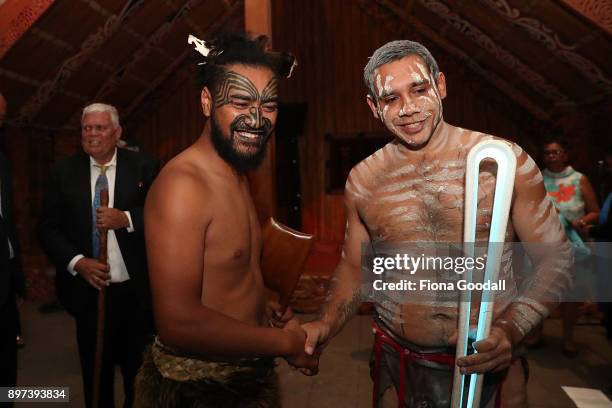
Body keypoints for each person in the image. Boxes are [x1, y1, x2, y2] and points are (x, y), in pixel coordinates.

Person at [301, 40, 572, 407]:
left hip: (492, 371)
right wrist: (324, 324)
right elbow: (353, 266)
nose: (408, 109)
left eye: (419, 89)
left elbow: (556, 258)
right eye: (390, 98)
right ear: (373, 107)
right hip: (399, 362)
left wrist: (510, 329)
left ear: (440, 85)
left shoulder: (503, 163)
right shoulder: (363, 181)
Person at [135, 33, 317, 408]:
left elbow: (228, 270)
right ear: (206, 102)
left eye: (269, 105)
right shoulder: (183, 186)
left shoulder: (235, 172)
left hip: (245, 377)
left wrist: (263, 304)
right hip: (197, 391)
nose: (257, 118)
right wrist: (286, 343)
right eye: (240, 102)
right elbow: (178, 323)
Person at [39, 103, 160, 408]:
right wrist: (78, 263)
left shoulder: (145, 167)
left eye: (100, 127)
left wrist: (127, 219)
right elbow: (47, 229)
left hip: (136, 292)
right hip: (88, 293)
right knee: (95, 370)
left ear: (117, 132)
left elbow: (165, 215)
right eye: (86, 128)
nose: (92, 134)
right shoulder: (62, 173)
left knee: (139, 372)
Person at [541, 137, 600, 357]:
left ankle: (568, 338)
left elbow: (595, 211)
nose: (552, 156)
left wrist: (583, 221)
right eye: (547, 152)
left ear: (565, 154)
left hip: (572, 243)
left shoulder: (579, 179)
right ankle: (535, 334)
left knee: (571, 294)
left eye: (556, 152)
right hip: (543, 244)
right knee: (540, 290)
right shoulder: (537, 178)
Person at [0, 92, 26, 408]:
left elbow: (8, 223)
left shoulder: (2, 161)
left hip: (5, 284)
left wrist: (16, 279)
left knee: (7, 375)